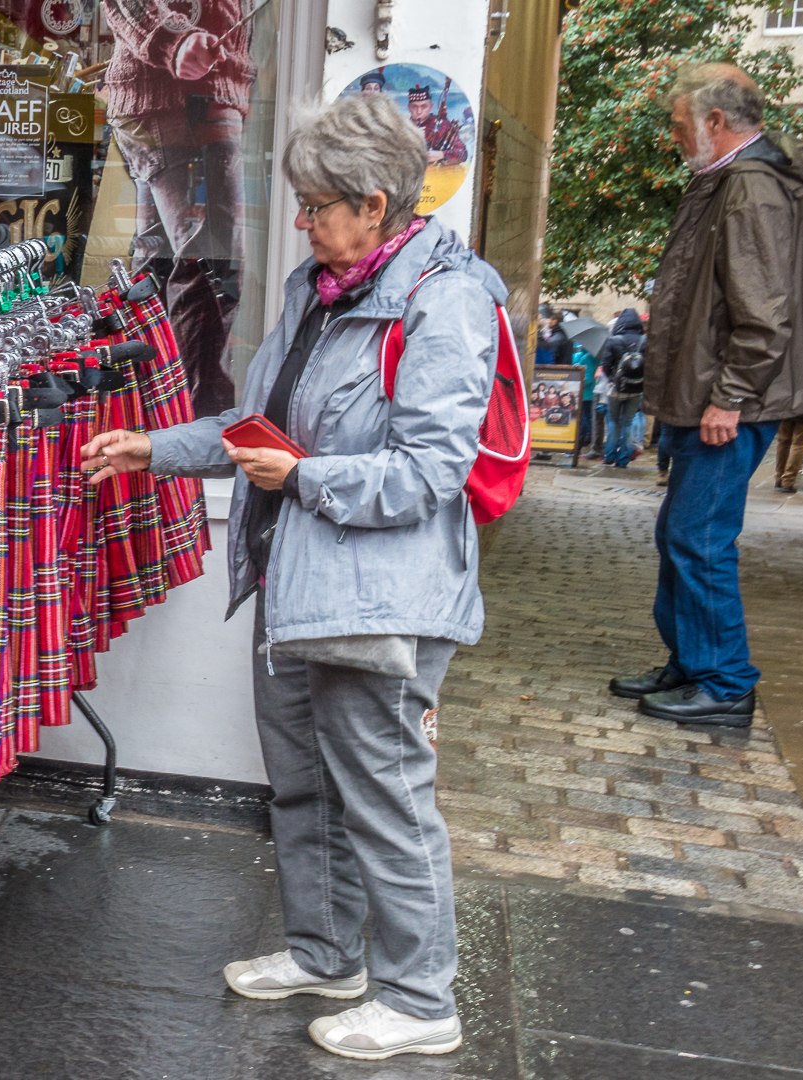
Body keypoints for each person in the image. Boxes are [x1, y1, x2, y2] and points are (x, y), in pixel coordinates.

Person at [83, 94, 499, 1062]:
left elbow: (430, 474)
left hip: (384, 602)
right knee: (304, 787)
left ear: (375, 205)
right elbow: (258, 424)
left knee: (388, 799)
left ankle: (420, 999)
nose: (302, 221)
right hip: (298, 584)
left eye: (316, 206)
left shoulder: (447, 301)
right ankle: (325, 954)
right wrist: (154, 447)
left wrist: (304, 478)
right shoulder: (319, 287)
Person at [609, 64, 803, 727]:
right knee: (681, 532)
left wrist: (729, 398)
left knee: (698, 537)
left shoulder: (750, 189)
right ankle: (692, 663)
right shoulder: (730, 180)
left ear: (714, 121)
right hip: (711, 392)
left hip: (730, 400)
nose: (674, 135)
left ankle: (725, 683)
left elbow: (763, 315)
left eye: (680, 124)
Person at [101, 0, 257, 417]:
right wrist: (173, 39)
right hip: (183, 99)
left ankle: (152, 418)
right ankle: (197, 425)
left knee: (164, 270)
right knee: (213, 272)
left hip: (184, 97)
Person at [599, 308, 647, 467]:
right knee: (628, 422)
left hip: (616, 388)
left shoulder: (614, 340)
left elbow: (606, 365)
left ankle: (610, 455)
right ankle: (623, 458)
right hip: (636, 388)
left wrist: (612, 379)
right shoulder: (645, 341)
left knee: (613, 421)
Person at [407, 84, 467, 166]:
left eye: (424, 106)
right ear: (409, 108)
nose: (419, 111)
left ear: (430, 107)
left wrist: (441, 154)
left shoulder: (443, 125)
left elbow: (463, 154)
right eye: (414, 107)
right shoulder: (401, 127)